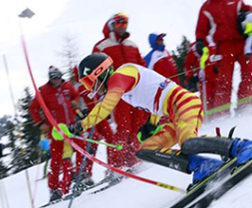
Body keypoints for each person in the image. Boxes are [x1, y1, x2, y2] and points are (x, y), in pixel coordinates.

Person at [60, 53, 252, 185]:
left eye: (90, 82)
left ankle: (240, 146)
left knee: (188, 142)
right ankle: (202, 165)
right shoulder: (120, 84)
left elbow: (107, 106)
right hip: (170, 116)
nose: (92, 89)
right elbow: (154, 93)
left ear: (99, 72)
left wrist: (82, 125)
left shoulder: (120, 75)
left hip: (183, 104)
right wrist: (150, 124)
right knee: (146, 150)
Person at [92, 13, 149, 168]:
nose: (123, 27)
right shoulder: (102, 46)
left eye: (125, 24)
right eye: (119, 24)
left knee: (137, 125)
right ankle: (117, 164)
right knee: (123, 127)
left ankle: (134, 159)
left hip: (135, 90)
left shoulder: (132, 45)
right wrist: (100, 89)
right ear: (111, 25)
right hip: (117, 92)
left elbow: (141, 65)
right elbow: (94, 71)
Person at [29, 65, 93, 202]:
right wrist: (41, 124)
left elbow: (75, 95)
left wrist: (74, 102)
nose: (57, 80)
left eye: (58, 77)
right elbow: (33, 108)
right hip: (56, 130)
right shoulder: (44, 91)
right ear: (50, 79)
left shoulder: (67, 85)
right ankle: (54, 189)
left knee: (82, 149)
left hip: (71, 126)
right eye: (54, 78)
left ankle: (83, 176)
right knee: (57, 159)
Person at [195, 0, 252, 109]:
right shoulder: (207, 6)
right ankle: (221, 112)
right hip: (224, 46)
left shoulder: (236, 1)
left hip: (242, 42)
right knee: (224, 80)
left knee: (249, 72)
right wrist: (200, 41)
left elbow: (247, 9)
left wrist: (247, 14)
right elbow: (201, 29)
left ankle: (246, 105)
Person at [184, 41, 218, 110]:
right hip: (204, 80)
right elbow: (187, 65)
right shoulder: (193, 50)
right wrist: (191, 77)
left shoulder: (212, 41)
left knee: (218, 96)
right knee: (207, 100)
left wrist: (218, 65)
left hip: (216, 76)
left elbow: (220, 55)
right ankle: (208, 117)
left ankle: (222, 116)